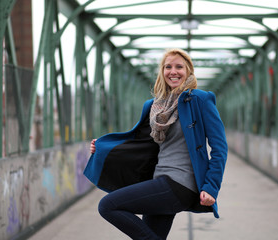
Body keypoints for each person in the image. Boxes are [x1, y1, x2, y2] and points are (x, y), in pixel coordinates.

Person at [84, 48, 228, 240]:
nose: (173, 71)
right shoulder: (154, 106)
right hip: (158, 181)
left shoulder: (199, 100)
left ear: (189, 71)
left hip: (180, 184)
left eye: (179, 67)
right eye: (168, 67)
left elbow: (220, 148)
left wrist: (211, 187)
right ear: (162, 72)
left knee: (108, 205)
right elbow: (139, 143)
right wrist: (101, 147)